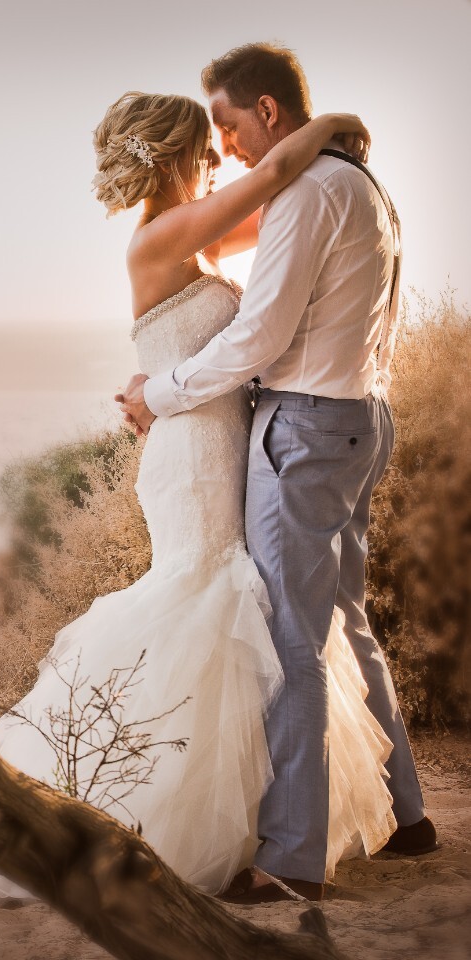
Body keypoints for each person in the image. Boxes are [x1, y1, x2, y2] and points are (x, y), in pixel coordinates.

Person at [0, 91, 396, 910]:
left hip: (215, 439)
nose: (216, 161)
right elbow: (269, 177)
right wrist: (332, 125)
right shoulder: (162, 237)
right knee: (209, 597)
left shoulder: (189, 233)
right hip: (193, 458)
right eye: (204, 148)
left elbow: (278, 217)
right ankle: (185, 813)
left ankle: (254, 816)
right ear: (173, 157)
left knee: (236, 606)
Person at [117, 43, 437, 904]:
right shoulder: (362, 187)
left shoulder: (307, 191)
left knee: (291, 638)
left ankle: (292, 855)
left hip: (301, 430)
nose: (224, 146)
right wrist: (335, 127)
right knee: (344, 618)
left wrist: (162, 392)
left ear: (265, 111)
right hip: (359, 417)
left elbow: (257, 339)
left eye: (228, 122)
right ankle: (406, 815)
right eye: (208, 134)